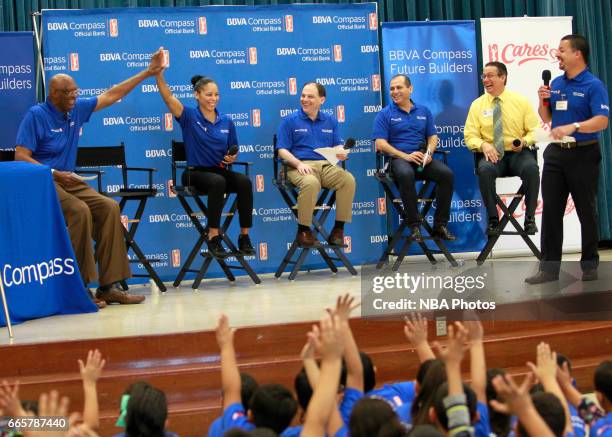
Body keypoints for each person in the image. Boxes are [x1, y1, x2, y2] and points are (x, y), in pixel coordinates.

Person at [14, 50, 165, 306]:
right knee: (79, 211)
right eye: (68, 92)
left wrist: (148, 73)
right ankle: (78, 287)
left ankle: (109, 286)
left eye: (75, 91)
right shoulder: (36, 115)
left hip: (70, 181)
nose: (74, 96)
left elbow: (112, 94)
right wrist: (53, 173)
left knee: (108, 207)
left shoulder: (76, 111)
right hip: (44, 182)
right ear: (53, 95)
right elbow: (20, 156)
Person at [525, 34, 609, 284]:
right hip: (555, 153)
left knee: (586, 210)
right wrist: (542, 102)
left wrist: (574, 126)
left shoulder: (593, 85)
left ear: (577, 54)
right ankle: (548, 270)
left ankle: (590, 265)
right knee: (550, 211)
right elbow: (549, 118)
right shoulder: (558, 83)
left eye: (562, 50)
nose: (557, 54)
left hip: (583, 153)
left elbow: (602, 121)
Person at [156, 68, 255, 258]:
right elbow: (168, 98)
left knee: (244, 182)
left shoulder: (227, 121)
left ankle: (244, 237)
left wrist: (231, 157)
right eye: (209, 94)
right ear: (197, 95)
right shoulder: (189, 117)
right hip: (194, 173)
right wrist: (158, 75)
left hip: (218, 171)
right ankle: (213, 236)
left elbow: (233, 150)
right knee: (217, 182)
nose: (213, 98)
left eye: (216, 94)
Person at [373, 74, 456, 242]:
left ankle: (440, 225)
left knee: (446, 174)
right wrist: (406, 156)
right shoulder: (384, 114)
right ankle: (414, 225)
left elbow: (433, 137)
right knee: (406, 174)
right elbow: (380, 144)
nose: (395, 91)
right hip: (398, 160)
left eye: (399, 88)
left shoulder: (424, 111)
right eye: (392, 89)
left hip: (421, 161)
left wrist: (429, 154)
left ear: (410, 89)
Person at [464, 61, 540, 236]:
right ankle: (492, 220)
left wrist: (525, 140)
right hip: (493, 155)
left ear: (503, 77)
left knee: (531, 169)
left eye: (490, 76)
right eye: (484, 76)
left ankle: (530, 219)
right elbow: (469, 136)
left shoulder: (520, 101)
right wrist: (483, 144)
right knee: (485, 170)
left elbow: (534, 130)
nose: (485, 80)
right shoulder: (477, 105)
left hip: (517, 153)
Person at [276, 82, 356, 247]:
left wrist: (341, 152)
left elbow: (337, 145)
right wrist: (298, 164)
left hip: (326, 165)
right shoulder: (289, 121)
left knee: (348, 180)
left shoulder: (330, 120)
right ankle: (304, 230)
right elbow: (282, 151)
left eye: (310, 96)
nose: (305, 99)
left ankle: (338, 230)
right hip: (297, 166)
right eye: (303, 95)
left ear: (322, 100)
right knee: (311, 182)